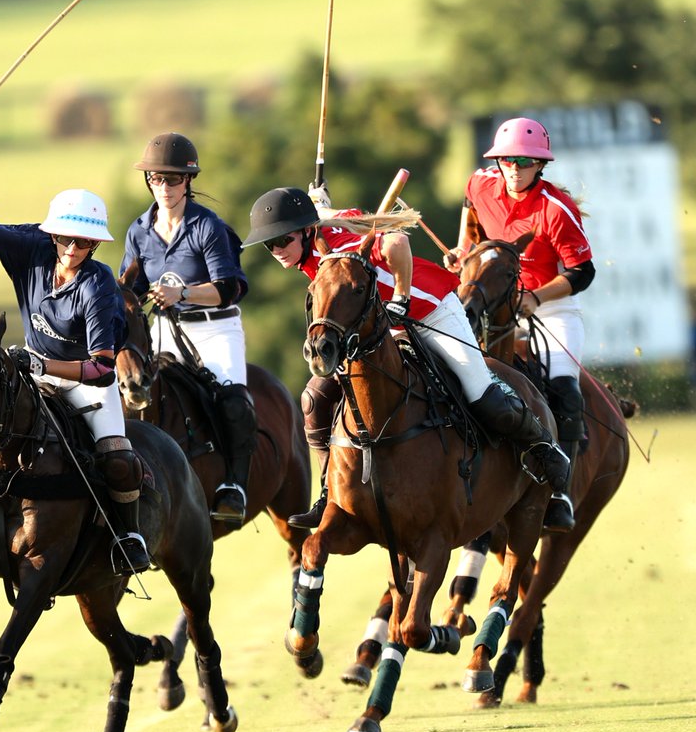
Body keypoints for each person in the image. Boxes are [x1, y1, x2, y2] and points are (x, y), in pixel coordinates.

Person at [240, 186, 570, 529]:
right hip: (384, 329)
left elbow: (397, 243)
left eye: (282, 241)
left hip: (433, 312)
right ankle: (329, 493)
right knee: (314, 398)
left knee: (479, 391)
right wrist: (322, 208)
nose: (277, 250)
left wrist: (399, 295)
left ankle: (544, 446)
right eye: (270, 244)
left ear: (307, 232)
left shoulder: (344, 241)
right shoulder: (312, 244)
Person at [0, 154, 151, 572]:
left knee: (117, 457)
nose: (73, 249)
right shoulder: (32, 249)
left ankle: (126, 537)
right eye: (65, 239)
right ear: (52, 234)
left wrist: (44, 366)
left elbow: (101, 369)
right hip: (31, 372)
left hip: (82, 382)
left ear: (95, 244)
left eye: (83, 243)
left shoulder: (99, 287)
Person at [445, 116, 594, 532]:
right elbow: (470, 206)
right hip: (490, 299)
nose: (514, 167)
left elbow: (583, 272)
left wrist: (535, 297)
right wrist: (464, 248)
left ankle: (560, 491)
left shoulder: (554, 210)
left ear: (540, 165)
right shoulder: (481, 183)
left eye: (524, 161)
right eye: (507, 159)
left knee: (564, 388)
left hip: (548, 306)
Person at [120, 132, 255, 526]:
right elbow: (130, 285)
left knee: (231, 401)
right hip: (163, 329)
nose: (164, 187)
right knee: (132, 391)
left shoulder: (207, 227)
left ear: (188, 181)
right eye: (157, 179)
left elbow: (229, 289)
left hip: (215, 329)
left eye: (173, 179)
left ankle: (235, 484)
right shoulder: (138, 231)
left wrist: (183, 292)